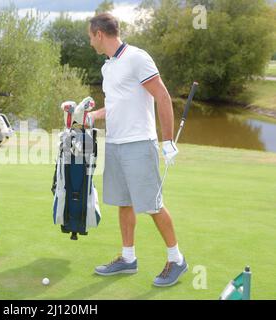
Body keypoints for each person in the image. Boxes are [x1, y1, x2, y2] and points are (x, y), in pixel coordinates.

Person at [87, 13, 187, 287]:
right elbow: (117, 105)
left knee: (152, 205)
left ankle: (176, 259)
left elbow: (162, 96)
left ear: (99, 34)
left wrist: (167, 141)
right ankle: (128, 258)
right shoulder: (108, 67)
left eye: (90, 36)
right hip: (116, 143)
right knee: (124, 202)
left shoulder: (137, 57)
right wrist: (93, 116)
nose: (89, 41)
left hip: (139, 143)